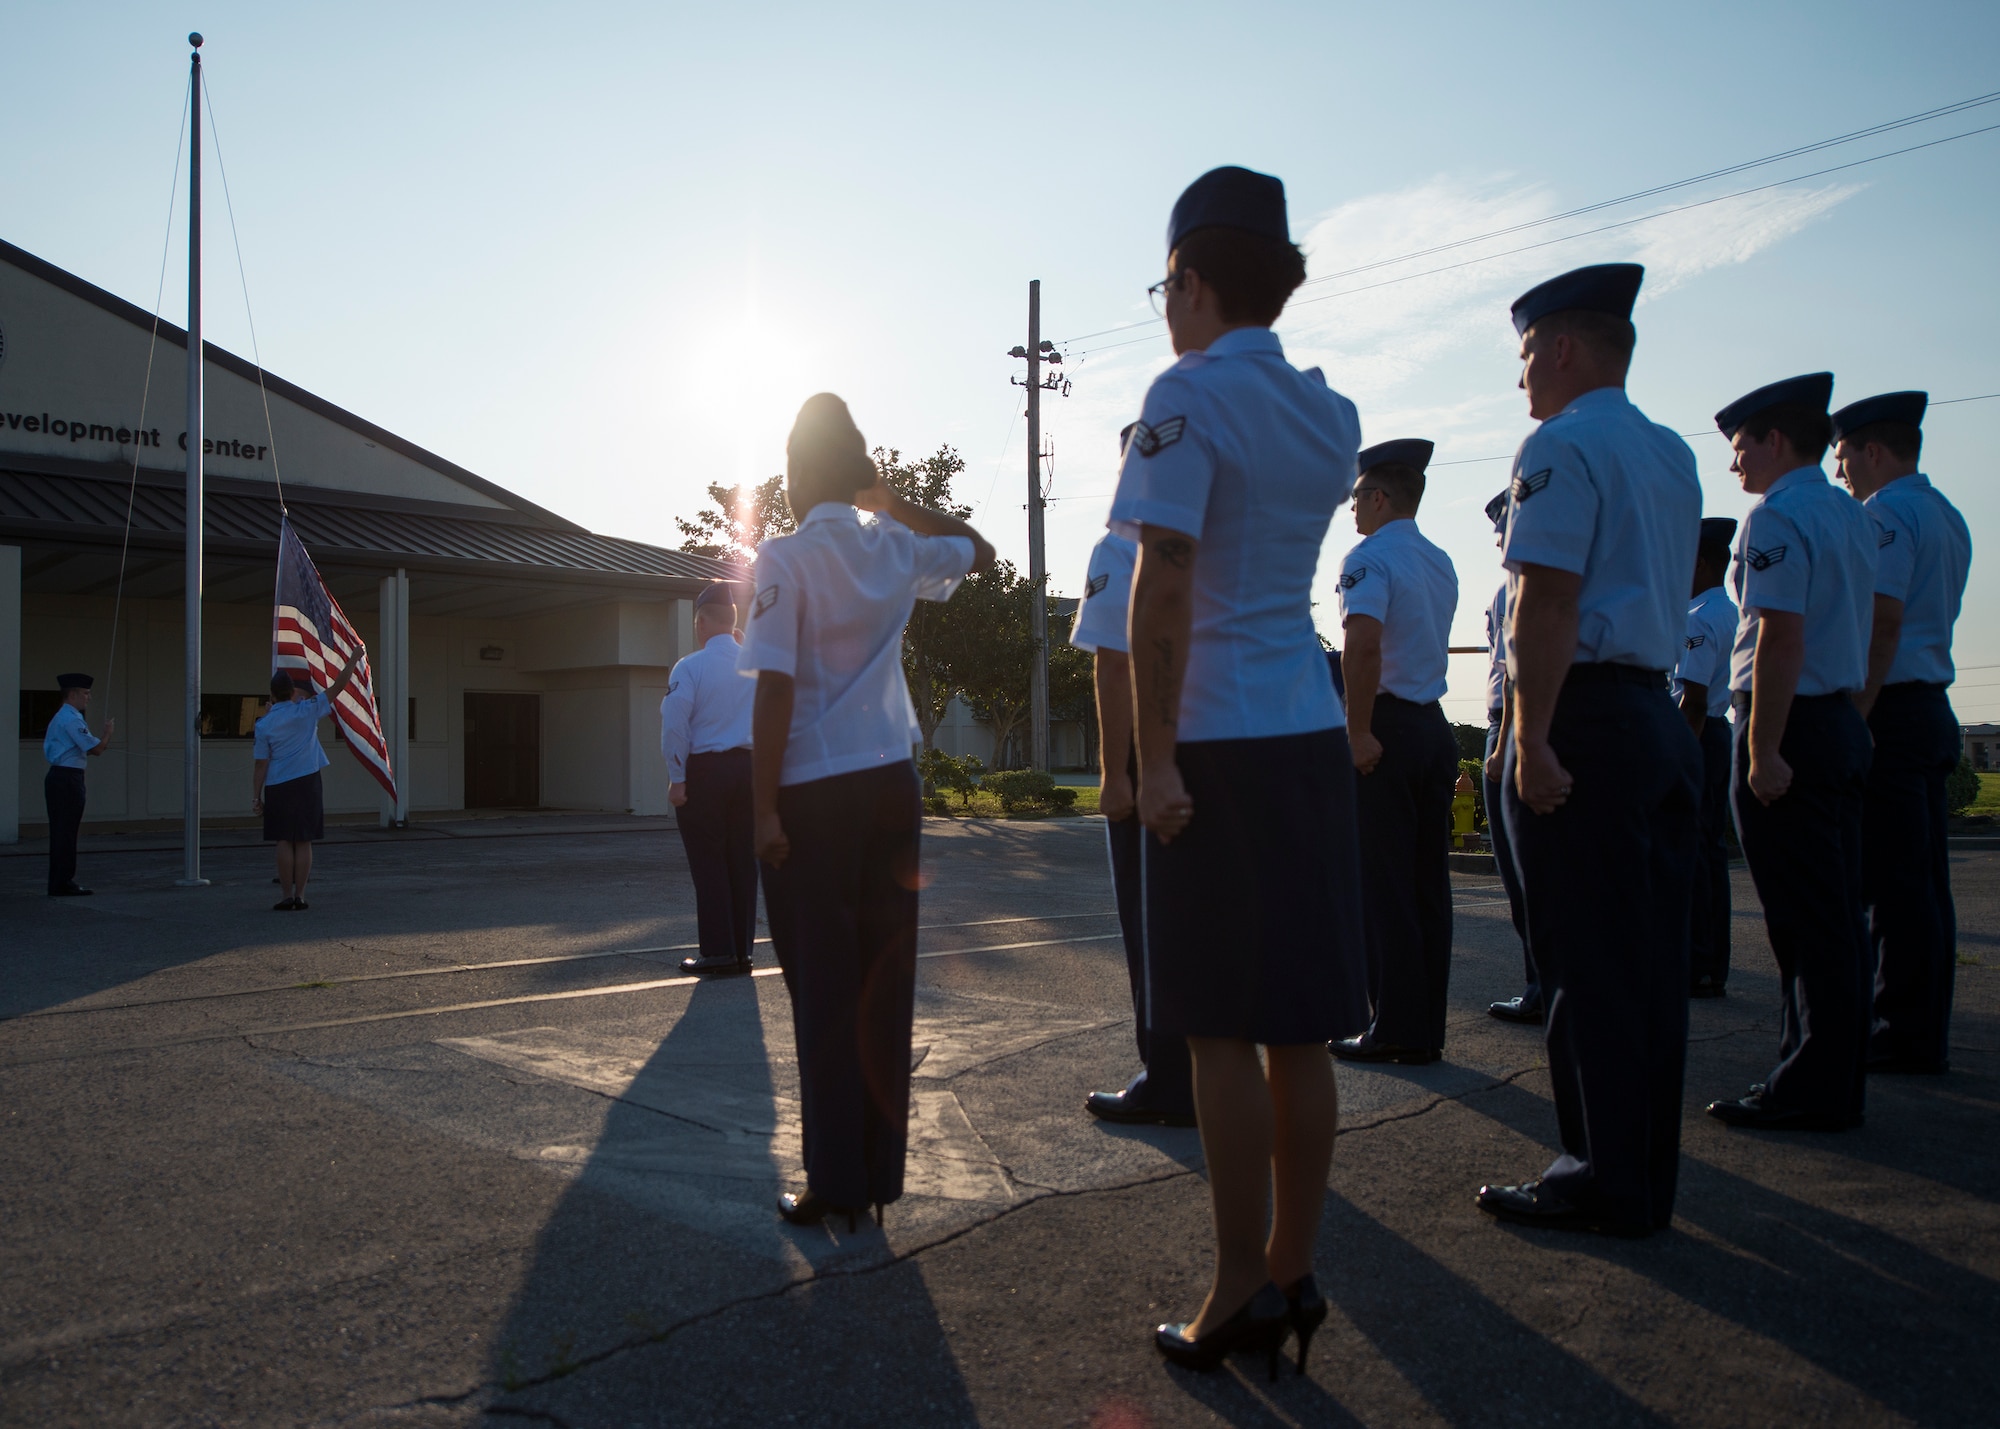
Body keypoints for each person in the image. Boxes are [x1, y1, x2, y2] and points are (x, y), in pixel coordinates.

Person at [1118, 165, 1367, 1376]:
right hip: (1305, 727)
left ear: (1195, 280)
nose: (1164, 307)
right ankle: (1292, 1264)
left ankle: (1231, 1288)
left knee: (1218, 1027)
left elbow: (1161, 582)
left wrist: (1150, 756)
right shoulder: (1329, 414)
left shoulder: (1183, 393)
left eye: (1166, 284)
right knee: (1300, 1030)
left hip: (1213, 735)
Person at [1474, 262, 1703, 1239]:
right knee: (1648, 963)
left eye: (1526, 353)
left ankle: (1596, 1176)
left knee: (1581, 958)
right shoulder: (1667, 452)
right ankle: (1640, 1174)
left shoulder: (1558, 445)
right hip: (1652, 714)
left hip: (1586, 720)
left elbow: (1545, 599)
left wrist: (1529, 738)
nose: (1521, 374)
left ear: (1562, 347)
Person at [739, 392, 994, 1232]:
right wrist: (888, 499)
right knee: (884, 982)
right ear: (856, 469)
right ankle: (878, 1177)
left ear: (794, 471)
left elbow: (774, 685)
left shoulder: (781, 557)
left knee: (824, 983)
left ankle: (836, 1178)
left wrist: (762, 808)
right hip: (891, 783)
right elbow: (980, 553)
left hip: (815, 789)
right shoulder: (892, 545)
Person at [1703, 373, 1877, 1132]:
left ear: (1775, 440)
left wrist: (1763, 747)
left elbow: (1778, 634)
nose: (1735, 464)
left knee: (1805, 922)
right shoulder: (1848, 512)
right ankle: (1819, 1070)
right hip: (1834, 719)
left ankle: (1810, 1085)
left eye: (1740, 447)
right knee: (1834, 915)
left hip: (1792, 726)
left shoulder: (1774, 518)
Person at [1832, 391, 1970, 1076]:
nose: (1841, 473)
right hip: (1928, 704)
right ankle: (1922, 1027)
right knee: (1924, 884)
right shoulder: (1946, 512)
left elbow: (1881, 624)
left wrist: (1853, 719)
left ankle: (1901, 1030)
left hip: (1888, 704)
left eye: (1844, 456)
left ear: (1873, 450)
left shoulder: (1885, 514)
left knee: (1893, 886)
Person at [1073, 426, 1196, 1127]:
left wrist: (1114, 772)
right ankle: (1212, 1071)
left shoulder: (1121, 544)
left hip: (1152, 762)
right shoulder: (1214, 538)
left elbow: (1115, 661)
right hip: (1218, 749)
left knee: (1153, 924)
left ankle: (1170, 1078)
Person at [1331, 439, 1460, 1065]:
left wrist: (1357, 731)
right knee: (1426, 884)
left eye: (1357, 497)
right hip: (1432, 727)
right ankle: (1422, 1028)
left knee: (1382, 885)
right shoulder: (1439, 560)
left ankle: (1394, 1026)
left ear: (1379, 497)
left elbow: (1363, 647)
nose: (1351, 508)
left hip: (1385, 729)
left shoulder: (1369, 557)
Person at [662, 582, 759, 976]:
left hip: (706, 773)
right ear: (733, 621)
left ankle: (717, 952)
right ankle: (741, 952)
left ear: (701, 621)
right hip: (751, 771)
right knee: (742, 862)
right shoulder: (755, 663)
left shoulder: (690, 667)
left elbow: (674, 725)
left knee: (710, 863)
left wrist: (676, 777)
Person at [1479, 491, 1541, 1025]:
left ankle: (1543, 982)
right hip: (1515, 723)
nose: (1499, 540)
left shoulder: (1518, 588)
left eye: (1503, 528)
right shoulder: (1507, 589)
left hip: (1513, 726)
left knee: (1526, 874)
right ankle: (1543, 980)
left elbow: (1520, 669)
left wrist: (1502, 746)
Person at [1674, 518, 1741, 998]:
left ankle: (1696, 961)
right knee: (1710, 853)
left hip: (1696, 733)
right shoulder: (1732, 611)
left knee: (1691, 854)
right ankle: (1711, 961)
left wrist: (1673, 755)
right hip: (1720, 733)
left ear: (1699, 563)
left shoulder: (1697, 617)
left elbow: (1691, 699)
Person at [253, 650, 361, 911]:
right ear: (292, 692)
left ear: (272, 695)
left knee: (282, 839)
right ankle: (301, 895)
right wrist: (353, 660)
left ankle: (286, 894)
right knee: (303, 840)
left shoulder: (264, 724)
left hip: (278, 783)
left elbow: (261, 763)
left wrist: (256, 796)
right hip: (307, 780)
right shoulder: (307, 711)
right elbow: (338, 686)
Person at [43, 672, 115, 897]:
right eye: (85, 693)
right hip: (67, 779)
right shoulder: (71, 719)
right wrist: (107, 734)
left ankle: (59, 881)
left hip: (60, 777)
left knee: (61, 831)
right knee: (66, 832)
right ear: (72, 694)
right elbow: (96, 749)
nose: (88, 698)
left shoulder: (63, 717)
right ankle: (63, 882)